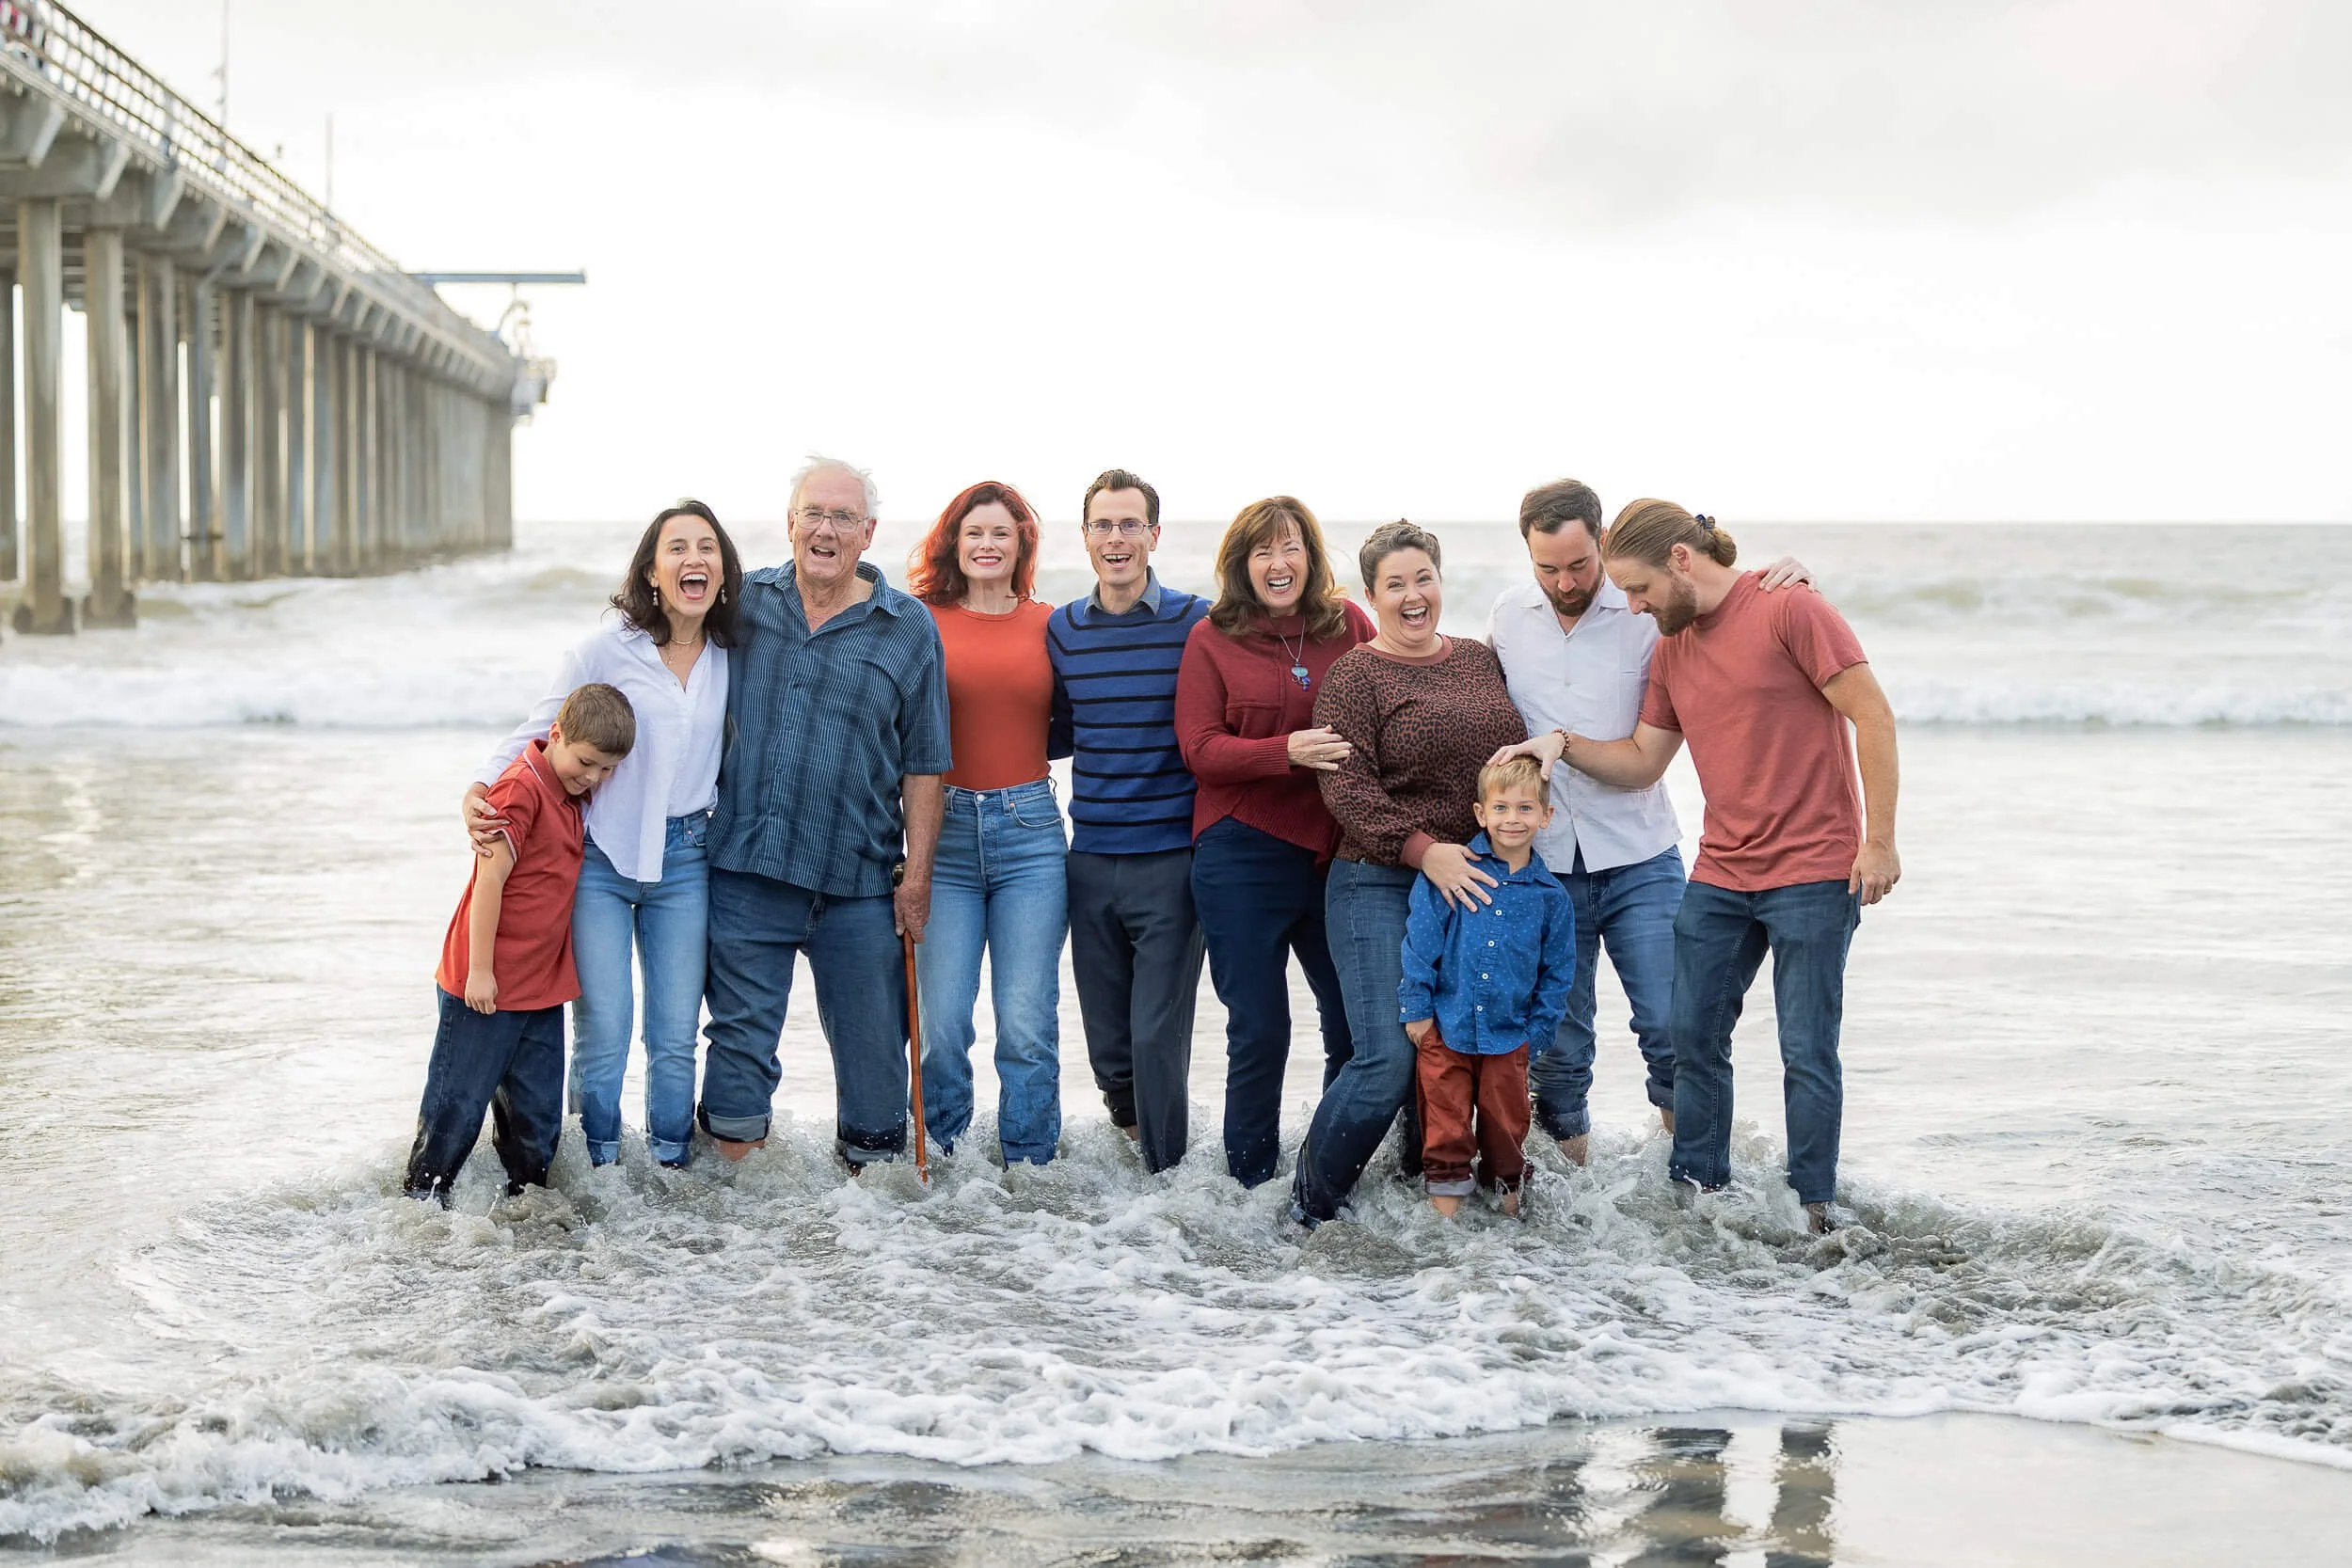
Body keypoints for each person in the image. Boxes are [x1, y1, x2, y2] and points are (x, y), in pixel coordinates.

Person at [1497, 501, 1900, 1232]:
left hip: (1813, 868)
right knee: (1690, 1038)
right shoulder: (1671, 646)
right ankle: (1701, 1200)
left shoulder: (1790, 609)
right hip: (1721, 871)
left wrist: (1880, 841)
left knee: (1807, 1047)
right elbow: (1644, 760)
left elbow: (1872, 715)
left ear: (1682, 560)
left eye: (1640, 589)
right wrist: (1556, 743)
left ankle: (1814, 1208)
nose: (1632, 604)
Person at [1487, 480, 1808, 1164]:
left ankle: (1695, 1197)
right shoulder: (1509, 617)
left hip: (1639, 854)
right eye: (1548, 567)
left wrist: (1786, 576)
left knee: (1674, 1026)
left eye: (1578, 564)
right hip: (1541, 862)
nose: (1565, 581)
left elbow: (1723, 602)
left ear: (1602, 540)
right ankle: (1577, 1218)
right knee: (1558, 1047)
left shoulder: (1645, 606)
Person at [465, 500, 739, 1169]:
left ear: (724, 571)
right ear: (652, 569)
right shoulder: (604, 647)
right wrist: (479, 787)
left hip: (688, 859)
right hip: (603, 859)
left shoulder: (734, 653)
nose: (693, 559)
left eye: (707, 547)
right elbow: (541, 726)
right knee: (605, 1029)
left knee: (674, 1034)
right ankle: (599, 1169)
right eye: (677, 548)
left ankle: (672, 1166)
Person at [698, 456, 952, 1170]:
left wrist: (918, 878)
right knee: (738, 1055)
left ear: (868, 533)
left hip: (861, 881)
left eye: (844, 517)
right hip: (750, 864)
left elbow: (926, 762)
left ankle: (865, 1252)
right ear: (789, 523)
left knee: (876, 1079)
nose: (826, 529)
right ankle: (729, 1225)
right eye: (814, 512)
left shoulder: (908, 626)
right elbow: (665, 664)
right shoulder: (744, 604)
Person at [1290, 521, 1529, 1227]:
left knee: (1459, 1051)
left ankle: (1428, 1203)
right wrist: (1427, 849)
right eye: (1394, 584)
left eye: (1422, 577)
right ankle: (1307, 1209)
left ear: (1440, 581)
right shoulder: (1355, 676)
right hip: (1378, 881)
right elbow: (1348, 789)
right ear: (1371, 595)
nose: (1412, 594)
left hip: (1475, 888)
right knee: (1389, 1056)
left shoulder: (1481, 660)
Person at [1174, 496, 1373, 1186]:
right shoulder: (1213, 635)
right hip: (1240, 854)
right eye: (1263, 550)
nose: (1278, 562)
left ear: (1311, 558)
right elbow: (1200, 749)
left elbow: (1396, 687)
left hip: (1336, 858)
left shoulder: (1348, 624)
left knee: (1353, 1028)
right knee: (1260, 1030)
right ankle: (1250, 1186)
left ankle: (1326, 1175)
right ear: (1242, 563)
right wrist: (1283, 750)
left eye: (1290, 547)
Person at [406, 683, 635, 1205]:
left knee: (536, 1118)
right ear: (555, 734)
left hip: (540, 984)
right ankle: (419, 1206)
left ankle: (525, 1211)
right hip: (484, 982)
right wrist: (480, 973)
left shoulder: (573, 791)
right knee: (456, 1107)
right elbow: (489, 882)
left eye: (607, 769)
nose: (594, 777)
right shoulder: (521, 788)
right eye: (586, 762)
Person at [1047, 468, 1209, 1174]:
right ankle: (1139, 1166)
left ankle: (1170, 1182)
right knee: (1109, 1048)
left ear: (1153, 534)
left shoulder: (1195, 621)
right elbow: (1046, 725)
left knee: (1154, 1037)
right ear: (1085, 537)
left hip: (1171, 859)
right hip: (1088, 861)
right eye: (1103, 526)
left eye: (1129, 524)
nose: (1117, 539)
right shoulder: (1063, 629)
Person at [906, 481, 1067, 1165]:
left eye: (1001, 533)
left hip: (1030, 832)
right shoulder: (920, 621)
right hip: (942, 840)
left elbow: (1081, 722)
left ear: (1021, 543)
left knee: (1026, 1025)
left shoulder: (1051, 623)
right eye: (974, 532)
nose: (987, 545)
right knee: (943, 1026)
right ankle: (943, 1163)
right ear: (954, 541)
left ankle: (1030, 1169)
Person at [1398, 755, 1574, 1217]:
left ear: (1546, 816)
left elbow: (1557, 975)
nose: (1512, 819)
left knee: (1506, 1130)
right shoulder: (1453, 870)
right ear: (1480, 813)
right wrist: (1416, 1009)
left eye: (1525, 808)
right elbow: (1421, 941)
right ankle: (1444, 1236)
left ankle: (1506, 1230)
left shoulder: (1551, 896)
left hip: (1509, 1036)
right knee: (1446, 1128)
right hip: (1446, 1028)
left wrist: (1536, 1035)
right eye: (1500, 808)